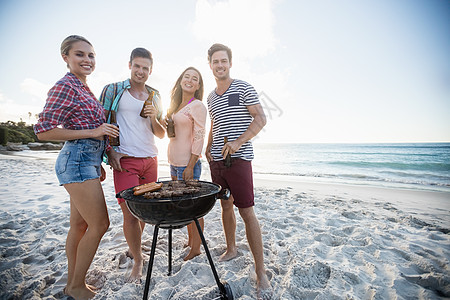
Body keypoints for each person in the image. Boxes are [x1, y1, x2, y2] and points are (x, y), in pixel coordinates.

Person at [34, 35, 118, 300]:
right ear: (66, 58)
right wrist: (96, 132)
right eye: (80, 54)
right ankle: (77, 286)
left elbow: (87, 131)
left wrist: (101, 158)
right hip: (76, 161)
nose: (87, 60)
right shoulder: (66, 86)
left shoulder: (83, 87)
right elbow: (44, 131)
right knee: (100, 224)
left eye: (91, 55)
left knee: (80, 226)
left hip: (86, 162)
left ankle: (72, 282)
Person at [205, 43, 272, 297]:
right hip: (218, 163)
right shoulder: (210, 97)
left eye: (224, 61)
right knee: (224, 205)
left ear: (230, 63)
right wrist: (209, 146)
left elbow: (261, 118)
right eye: (215, 61)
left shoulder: (243, 87)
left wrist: (238, 142)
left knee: (246, 212)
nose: (220, 65)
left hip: (240, 159)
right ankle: (231, 248)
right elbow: (215, 122)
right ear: (210, 64)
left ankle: (261, 271)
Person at [99, 48, 165, 282]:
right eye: (137, 66)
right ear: (129, 65)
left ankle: (133, 248)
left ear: (151, 70)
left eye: (145, 68)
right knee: (129, 214)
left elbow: (161, 133)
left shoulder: (155, 95)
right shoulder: (113, 90)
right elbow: (101, 122)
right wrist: (109, 152)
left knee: (145, 213)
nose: (141, 71)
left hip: (151, 160)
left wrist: (154, 116)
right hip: (125, 160)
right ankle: (138, 260)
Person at [165, 67, 207, 261]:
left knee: (194, 208)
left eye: (194, 78)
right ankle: (191, 241)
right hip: (174, 163)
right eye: (186, 76)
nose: (190, 80)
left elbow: (199, 136)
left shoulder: (197, 105)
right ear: (181, 80)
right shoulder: (175, 105)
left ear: (198, 85)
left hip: (186, 164)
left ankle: (196, 248)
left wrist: (191, 164)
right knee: (185, 206)